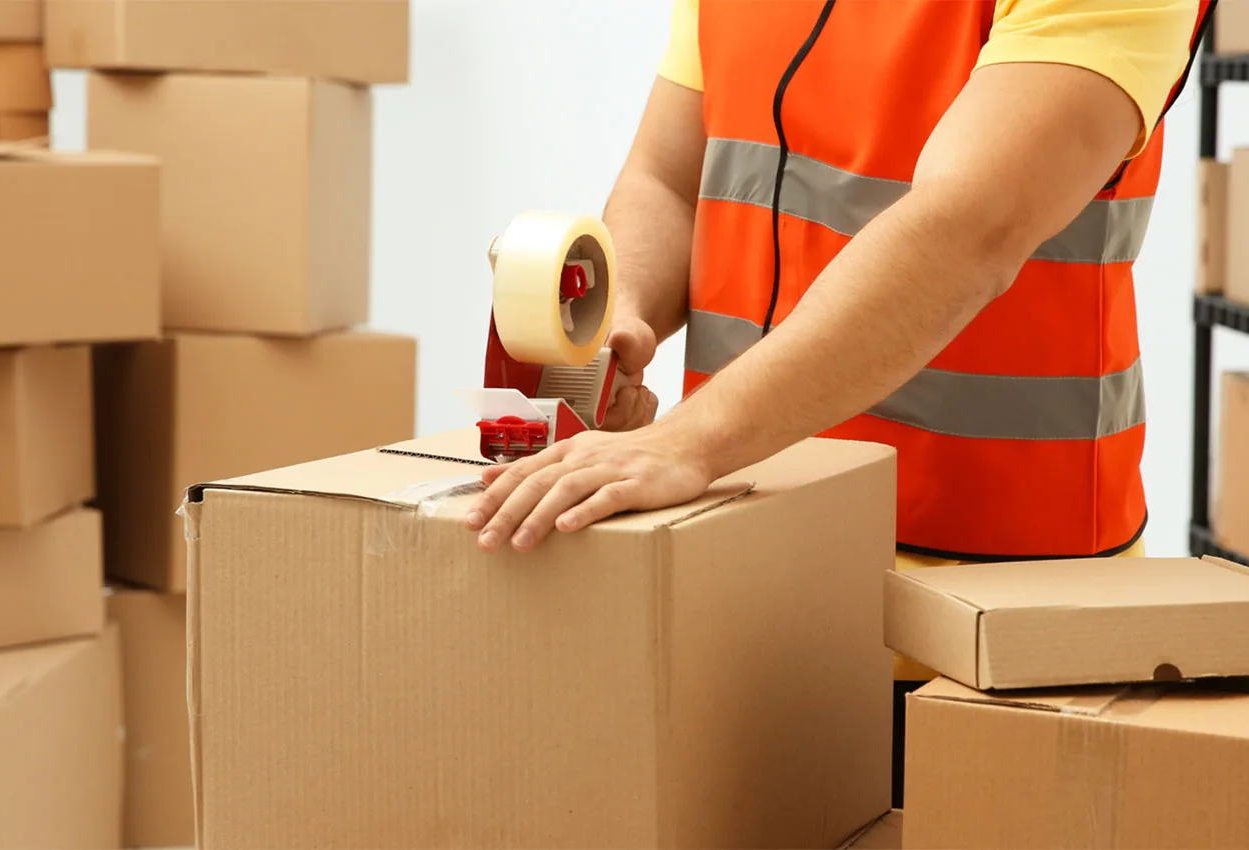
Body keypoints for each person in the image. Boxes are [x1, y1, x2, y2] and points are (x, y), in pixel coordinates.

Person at [464, 0, 1209, 803]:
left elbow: (971, 227)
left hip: (995, 622)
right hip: (750, 580)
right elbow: (669, 179)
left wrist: (686, 441)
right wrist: (624, 323)